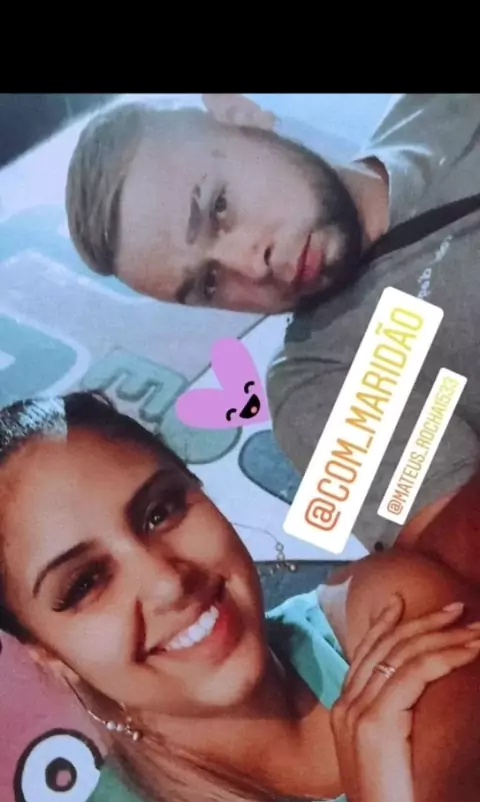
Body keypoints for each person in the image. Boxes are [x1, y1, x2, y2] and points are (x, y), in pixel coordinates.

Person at [2, 392, 480, 802]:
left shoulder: (382, 615)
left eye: (160, 512)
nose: (168, 582)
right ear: (46, 651)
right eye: (85, 583)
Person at [65, 93, 480, 551]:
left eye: (218, 208)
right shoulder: (322, 384)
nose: (251, 265)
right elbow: (459, 551)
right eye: (209, 283)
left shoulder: (441, 106)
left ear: (241, 116)